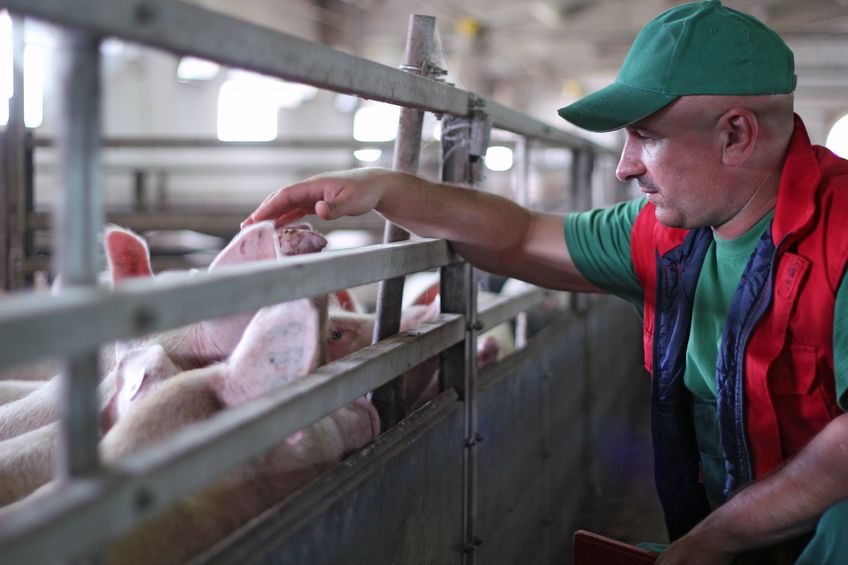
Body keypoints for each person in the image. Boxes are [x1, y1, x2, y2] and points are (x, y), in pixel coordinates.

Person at [243, 1, 848, 562]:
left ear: (735, 135)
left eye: (647, 135)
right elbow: (519, 235)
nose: (625, 165)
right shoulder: (668, 237)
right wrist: (384, 188)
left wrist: (718, 537)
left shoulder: (841, 234)